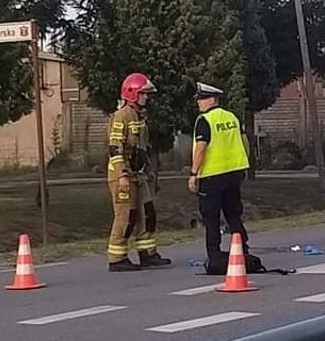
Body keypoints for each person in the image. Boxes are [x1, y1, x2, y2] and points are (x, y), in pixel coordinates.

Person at [187, 82, 260, 275]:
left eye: (201, 99)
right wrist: (244, 165)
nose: (198, 103)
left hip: (211, 176)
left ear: (212, 99)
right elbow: (243, 141)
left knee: (211, 218)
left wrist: (194, 174)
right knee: (233, 214)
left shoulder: (204, 120)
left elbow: (201, 148)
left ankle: (214, 256)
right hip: (234, 174)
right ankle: (242, 250)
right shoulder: (232, 117)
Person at [106, 72, 171, 272]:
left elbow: (142, 148)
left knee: (147, 213)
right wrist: (122, 175)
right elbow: (115, 147)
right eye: (143, 94)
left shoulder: (140, 117)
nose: (147, 98)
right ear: (133, 93)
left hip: (138, 175)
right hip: (123, 176)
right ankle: (117, 258)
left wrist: (148, 170)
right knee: (126, 216)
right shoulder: (122, 115)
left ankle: (147, 253)